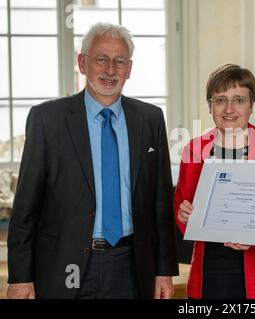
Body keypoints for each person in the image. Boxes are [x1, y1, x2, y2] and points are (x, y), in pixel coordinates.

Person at [7, 23, 178, 299]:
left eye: (119, 61)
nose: (110, 70)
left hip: (131, 266)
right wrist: (21, 277)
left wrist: (164, 270)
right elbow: (26, 207)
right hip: (66, 264)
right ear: (82, 63)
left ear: (129, 69)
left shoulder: (150, 119)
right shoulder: (47, 120)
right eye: (101, 59)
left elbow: (160, 203)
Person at [174, 64, 255, 299]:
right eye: (220, 100)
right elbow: (182, 212)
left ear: (251, 104)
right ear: (210, 106)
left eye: (239, 99)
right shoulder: (194, 149)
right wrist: (185, 216)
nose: (229, 108)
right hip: (210, 275)